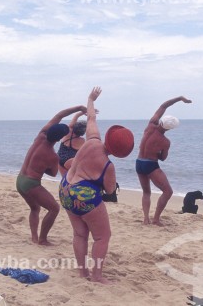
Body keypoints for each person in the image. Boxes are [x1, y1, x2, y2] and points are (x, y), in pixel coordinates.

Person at [59, 87, 134, 284]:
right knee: (102, 237)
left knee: (79, 233)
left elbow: (91, 118)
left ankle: (83, 273)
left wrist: (91, 99)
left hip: (65, 187)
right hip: (84, 195)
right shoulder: (108, 165)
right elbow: (109, 190)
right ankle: (97, 276)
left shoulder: (92, 139)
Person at [16, 104, 87, 245]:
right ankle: (42, 239)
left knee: (35, 208)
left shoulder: (40, 135)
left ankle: (34, 237)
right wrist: (43, 168)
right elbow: (53, 173)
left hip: (20, 180)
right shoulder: (52, 156)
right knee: (54, 208)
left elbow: (59, 115)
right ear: (59, 138)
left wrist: (78, 108)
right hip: (31, 183)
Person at [136, 96, 192, 225]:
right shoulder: (165, 142)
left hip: (139, 162)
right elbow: (163, 158)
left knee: (146, 192)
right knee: (168, 192)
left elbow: (163, 106)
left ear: (161, 121)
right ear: (169, 128)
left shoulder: (150, 125)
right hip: (151, 164)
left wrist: (180, 99)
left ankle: (146, 219)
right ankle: (155, 218)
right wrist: (158, 152)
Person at [57, 111, 87, 177]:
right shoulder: (82, 141)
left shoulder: (68, 132)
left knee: (64, 179)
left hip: (59, 158)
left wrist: (81, 112)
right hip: (70, 161)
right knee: (71, 180)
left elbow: (76, 116)